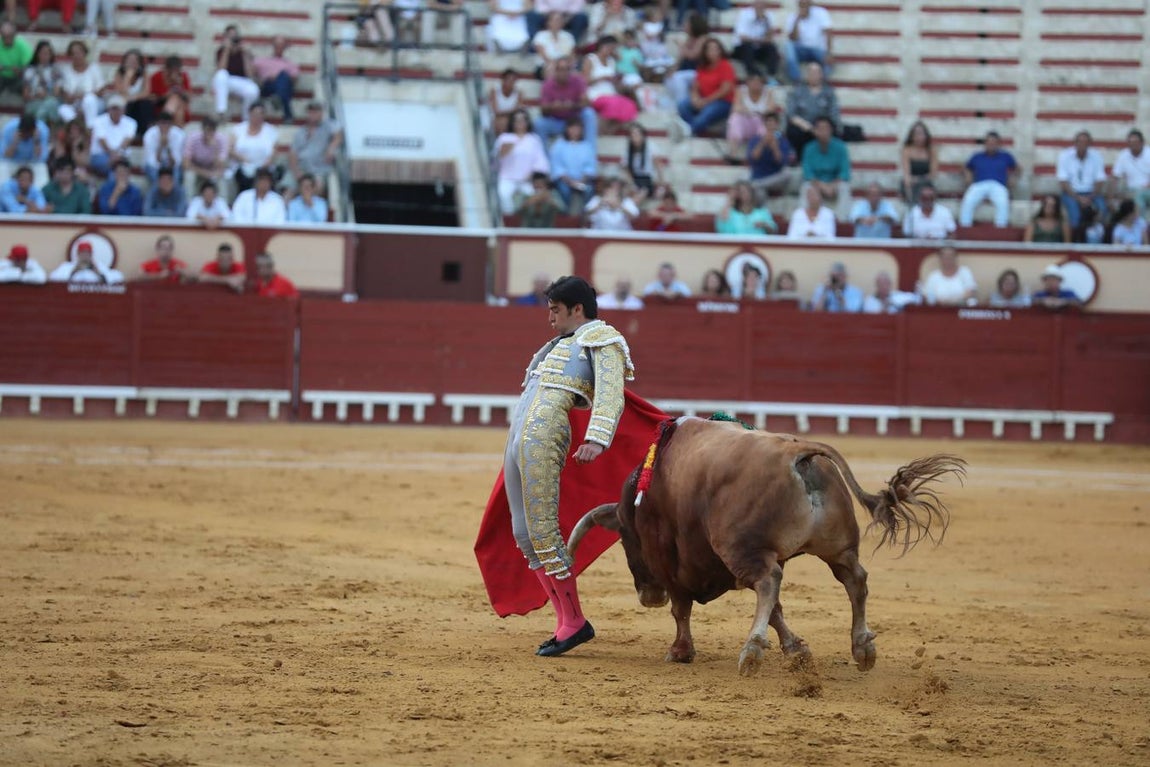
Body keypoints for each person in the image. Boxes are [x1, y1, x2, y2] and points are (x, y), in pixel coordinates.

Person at [501, 275, 634, 656]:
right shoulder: (556, 345)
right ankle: (565, 620)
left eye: (555, 310)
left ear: (577, 309)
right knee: (524, 533)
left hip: (544, 435)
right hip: (519, 437)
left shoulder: (603, 338)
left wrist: (597, 438)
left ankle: (574, 622)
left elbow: (611, 393)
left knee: (543, 530)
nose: (550, 318)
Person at [677, 37, 735, 137]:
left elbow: (725, 90)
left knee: (708, 112)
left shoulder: (726, 66)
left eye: (715, 49)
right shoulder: (702, 67)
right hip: (703, 98)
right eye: (709, 49)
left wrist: (706, 101)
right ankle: (694, 128)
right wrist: (695, 98)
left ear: (720, 51)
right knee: (682, 105)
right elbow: (695, 86)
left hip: (722, 101)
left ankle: (689, 130)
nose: (712, 52)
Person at [958, 131, 1018, 228]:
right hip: (979, 184)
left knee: (1003, 203)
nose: (991, 144)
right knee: (968, 201)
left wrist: (1013, 176)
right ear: (985, 143)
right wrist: (967, 174)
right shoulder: (977, 156)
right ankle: (965, 226)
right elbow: (965, 167)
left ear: (998, 144)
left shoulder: (1005, 156)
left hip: (998, 185)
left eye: (994, 142)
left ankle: (1000, 229)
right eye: (989, 142)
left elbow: (1017, 168)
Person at [495, 109, 550, 214]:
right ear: (512, 122)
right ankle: (509, 218)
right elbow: (494, 162)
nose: (520, 123)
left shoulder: (534, 139)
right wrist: (502, 153)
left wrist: (533, 174)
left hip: (528, 180)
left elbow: (541, 161)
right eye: (517, 120)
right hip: (507, 178)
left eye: (523, 120)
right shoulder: (504, 138)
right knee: (502, 194)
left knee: (537, 196)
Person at [534, 57, 597, 147]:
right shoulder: (547, 84)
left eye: (567, 69)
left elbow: (586, 103)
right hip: (556, 121)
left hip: (574, 120)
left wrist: (573, 105)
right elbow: (543, 110)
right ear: (556, 71)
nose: (564, 72)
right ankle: (543, 155)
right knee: (539, 123)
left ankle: (590, 151)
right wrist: (553, 106)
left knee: (589, 113)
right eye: (561, 69)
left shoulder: (578, 81)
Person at [785, 60, 839, 162]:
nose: (814, 75)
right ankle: (800, 159)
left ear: (821, 75)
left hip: (823, 126)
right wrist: (808, 127)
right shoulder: (797, 91)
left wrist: (822, 128)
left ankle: (828, 160)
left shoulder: (829, 92)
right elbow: (791, 114)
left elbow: (834, 114)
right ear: (807, 75)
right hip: (803, 126)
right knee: (793, 131)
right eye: (811, 72)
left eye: (816, 72)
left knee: (835, 132)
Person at [800, 115, 850, 215]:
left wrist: (832, 185)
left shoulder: (841, 147)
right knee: (806, 187)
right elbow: (807, 173)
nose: (823, 132)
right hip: (816, 183)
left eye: (826, 128)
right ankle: (804, 220)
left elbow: (844, 172)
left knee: (844, 187)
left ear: (831, 130)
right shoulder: (808, 148)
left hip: (834, 184)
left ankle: (842, 220)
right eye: (820, 129)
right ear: (815, 131)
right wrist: (822, 186)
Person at [1056, 130, 1108, 228]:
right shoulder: (1064, 156)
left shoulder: (1097, 156)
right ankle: (1076, 236)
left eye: (1085, 142)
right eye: (1079, 142)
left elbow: (1100, 181)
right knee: (1075, 215)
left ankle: (1095, 235)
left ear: (1089, 144)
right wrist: (1078, 198)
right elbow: (1063, 182)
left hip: (1091, 194)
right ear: (1075, 143)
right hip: (1071, 193)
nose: (1082, 145)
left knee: (1102, 209)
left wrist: (1089, 198)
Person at [582, 36, 638, 126]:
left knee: (629, 104)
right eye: (609, 48)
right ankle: (602, 128)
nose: (611, 51)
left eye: (613, 49)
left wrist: (617, 81)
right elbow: (585, 81)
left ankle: (611, 129)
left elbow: (614, 82)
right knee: (612, 104)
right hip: (595, 94)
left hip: (611, 93)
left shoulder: (611, 61)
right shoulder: (591, 59)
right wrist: (603, 78)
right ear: (601, 46)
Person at [725, 72, 778, 163]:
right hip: (745, 121)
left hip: (761, 122)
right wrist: (747, 111)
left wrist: (761, 113)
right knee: (735, 118)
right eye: (753, 81)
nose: (755, 84)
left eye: (758, 82)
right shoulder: (741, 91)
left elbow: (772, 109)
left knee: (767, 123)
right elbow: (735, 108)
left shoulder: (768, 92)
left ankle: (759, 156)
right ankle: (733, 154)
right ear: (748, 82)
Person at [549, 119, 596, 215]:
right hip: (564, 180)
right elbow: (557, 167)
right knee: (564, 191)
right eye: (572, 128)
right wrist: (570, 182)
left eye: (578, 128)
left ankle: (583, 215)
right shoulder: (558, 145)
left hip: (582, 180)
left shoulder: (587, 146)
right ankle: (567, 215)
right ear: (567, 129)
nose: (575, 131)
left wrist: (581, 181)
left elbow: (590, 167)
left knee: (589, 190)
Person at [229, 102, 278, 194]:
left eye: (261, 114)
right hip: (242, 167)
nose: (258, 117)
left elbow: (273, 154)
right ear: (249, 114)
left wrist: (262, 167)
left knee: (263, 178)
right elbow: (230, 150)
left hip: (263, 168)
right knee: (244, 177)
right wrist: (244, 160)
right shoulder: (238, 129)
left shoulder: (271, 131)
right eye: (255, 114)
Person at [212, 24, 260, 120]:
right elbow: (221, 69)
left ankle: (246, 119)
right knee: (221, 75)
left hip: (240, 81)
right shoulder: (221, 51)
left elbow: (250, 75)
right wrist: (227, 50)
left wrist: (245, 54)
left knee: (254, 90)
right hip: (225, 80)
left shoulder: (243, 51)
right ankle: (221, 112)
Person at [782, 0, 833, 84]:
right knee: (788, 45)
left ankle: (823, 81)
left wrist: (829, 52)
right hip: (802, 50)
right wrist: (797, 21)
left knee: (828, 61)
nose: (804, 5)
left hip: (818, 49)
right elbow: (793, 39)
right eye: (802, 3)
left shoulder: (821, 13)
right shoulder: (793, 17)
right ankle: (796, 79)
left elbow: (828, 33)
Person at [89, 94, 137, 178]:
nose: (116, 111)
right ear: (108, 110)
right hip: (101, 155)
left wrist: (117, 155)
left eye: (118, 109)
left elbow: (126, 141)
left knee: (116, 171)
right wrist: (114, 156)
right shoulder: (98, 121)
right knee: (116, 170)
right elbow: (102, 142)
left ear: (123, 110)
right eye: (113, 109)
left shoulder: (131, 122)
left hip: (121, 156)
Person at [748, 112, 794, 199]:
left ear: (777, 124)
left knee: (787, 173)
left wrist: (775, 147)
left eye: (772, 122)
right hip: (759, 176)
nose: (770, 124)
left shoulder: (783, 141)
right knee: (759, 192)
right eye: (768, 121)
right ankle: (759, 186)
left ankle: (758, 185)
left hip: (775, 177)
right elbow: (753, 159)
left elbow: (781, 162)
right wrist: (762, 143)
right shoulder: (756, 139)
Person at [252, 36, 299, 121]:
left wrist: (279, 78)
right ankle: (287, 113)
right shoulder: (262, 60)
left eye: (281, 45)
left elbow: (294, 80)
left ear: (284, 48)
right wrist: (266, 79)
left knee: (283, 77)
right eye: (277, 45)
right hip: (267, 86)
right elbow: (250, 73)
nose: (279, 47)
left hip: (283, 86)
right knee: (282, 80)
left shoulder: (289, 64)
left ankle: (279, 97)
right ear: (273, 46)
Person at [58, 40, 105, 126]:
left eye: (79, 53)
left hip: (94, 102)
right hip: (75, 104)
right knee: (63, 109)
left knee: (89, 100)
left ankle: (90, 128)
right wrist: (74, 99)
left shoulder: (94, 68)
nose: (76, 56)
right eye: (73, 54)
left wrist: (83, 97)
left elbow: (101, 90)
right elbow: (66, 94)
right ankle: (77, 127)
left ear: (84, 53)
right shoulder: (66, 71)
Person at [110, 49, 153, 135]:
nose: (132, 63)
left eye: (135, 60)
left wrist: (133, 97)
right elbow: (121, 91)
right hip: (123, 99)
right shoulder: (119, 73)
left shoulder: (144, 73)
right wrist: (128, 77)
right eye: (129, 60)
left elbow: (146, 92)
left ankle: (143, 132)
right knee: (124, 104)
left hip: (138, 99)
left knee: (145, 104)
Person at [732, 0, 779, 80]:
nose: (760, 6)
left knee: (772, 48)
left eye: (763, 4)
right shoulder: (744, 14)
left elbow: (770, 38)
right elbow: (742, 37)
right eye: (759, 3)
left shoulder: (768, 16)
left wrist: (766, 22)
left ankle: (771, 75)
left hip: (758, 47)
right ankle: (756, 75)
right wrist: (759, 40)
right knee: (748, 47)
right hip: (742, 48)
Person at [22, 40, 63, 126]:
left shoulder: (56, 70)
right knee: (42, 108)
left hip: (51, 100)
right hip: (34, 101)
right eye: (43, 53)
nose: (45, 56)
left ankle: (38, 126)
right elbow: (26, 95)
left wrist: (46, 95)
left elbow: (57, 93)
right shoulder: (30, 70)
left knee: (50, 104)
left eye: (48, 53)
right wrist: (36, 96)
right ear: (37, 54)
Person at [1111, 128, 1150, 215]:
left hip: (1147, 189)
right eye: (1130, 142)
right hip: (1131, 190)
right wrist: (1112, 196)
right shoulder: (1123, 155)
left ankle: (1139, 222)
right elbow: (1115, 176)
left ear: (1142, 142)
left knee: (1139, 196)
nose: (1133, 145)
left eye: (1135, 142)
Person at [183, 117, 230, 190]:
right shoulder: (193, 138)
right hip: (197, 168)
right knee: (189, 176)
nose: (209, 133)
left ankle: (222, 198)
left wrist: (215, 149)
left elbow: (221, 166)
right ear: (202, 129)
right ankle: (189, 197)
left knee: (222, 178)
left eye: (212, 130)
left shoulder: (221, 140)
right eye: (207, 130)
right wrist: (205, 173)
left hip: (213, 169)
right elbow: (186, 164)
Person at [142, 111, 186, 185]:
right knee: (156, 178)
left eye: (168, 123)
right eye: (162, 123)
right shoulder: (149, 135)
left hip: (172, 166)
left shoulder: (179, 135)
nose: (165, 126)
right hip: (153, 166)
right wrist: (161, 146)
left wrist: (168, 147)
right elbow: (152, 162)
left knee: (176, 177)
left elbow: (176, 162)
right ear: (158, 123)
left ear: (171, 124)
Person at [621, 123, 661, 204]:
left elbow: (659, 167)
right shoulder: (628, 151)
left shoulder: (651, 148)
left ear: (643, 136)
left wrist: (660, 186)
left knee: (640, 194)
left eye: (636, 134)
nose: (634, 137)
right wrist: (631, 184)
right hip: (634, 179)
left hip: (647, 180)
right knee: (624, 192)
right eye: (632, 134)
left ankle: (627, 208)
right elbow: (626, 170)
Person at [49, 240, 123, 283]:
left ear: (91, 254)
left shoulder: (99, 266)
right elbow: (52, 278)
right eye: (82, 253)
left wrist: (98, 274)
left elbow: (119, 278)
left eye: (87, 253)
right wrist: (73, 272)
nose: (85, 256)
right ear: (78, 254)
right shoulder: (68, 266)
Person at [900, 120, 936, 205]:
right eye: (916, 134)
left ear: (926, 135)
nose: (919, 137)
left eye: (921, 134)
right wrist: (911, 180)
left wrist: (919, 180)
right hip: (911, 183)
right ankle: (912, 205)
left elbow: (933, 173)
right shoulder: (907, 150)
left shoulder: (931, 151)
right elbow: (906, 173)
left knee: (924, 188)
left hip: (926, 182)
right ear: (912, 136)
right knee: (907, 184)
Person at [532, 11, 576, 80]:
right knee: (551, 70)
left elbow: (571, 54)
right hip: (545, 65)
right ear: (549, 22)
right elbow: (543, 55)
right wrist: (557, 65)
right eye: (556, 20)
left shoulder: (568, 36)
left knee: (574, 73)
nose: (558, 22)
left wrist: (566, 65)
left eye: (560, 20)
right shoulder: (540, 35)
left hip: (565, 65)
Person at [150, 56, 191, 127]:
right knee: (176, 101)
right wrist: (166, 95)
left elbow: (188, 98)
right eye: (172, 70)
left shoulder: (183, 76)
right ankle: (176, 129)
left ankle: (165, 120)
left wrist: (181, 86)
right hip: (160, 107)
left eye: (177, 70)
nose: (174, 73)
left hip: (179, 107)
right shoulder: (157, 77)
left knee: (176, 100)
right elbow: (152, 99)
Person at [0, 20, 30, 99]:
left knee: (27, 82)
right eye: (4, 36)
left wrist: (21, 71)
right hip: (1, 77)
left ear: (15, 35)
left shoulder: (23, 45)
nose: (7, 39)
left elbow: (30, 66)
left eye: (9, 36)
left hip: (17, 78)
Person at [487, 69, 522, 136]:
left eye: (514, 80)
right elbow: (496, 111)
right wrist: (511, 111)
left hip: (511, 119)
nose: (512, 83)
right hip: (495, 119)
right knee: (502, 123)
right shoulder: (495, 91)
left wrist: (506, 113)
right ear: (503, 80)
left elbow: (518, 111)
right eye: (509, 80)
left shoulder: (518, 93)